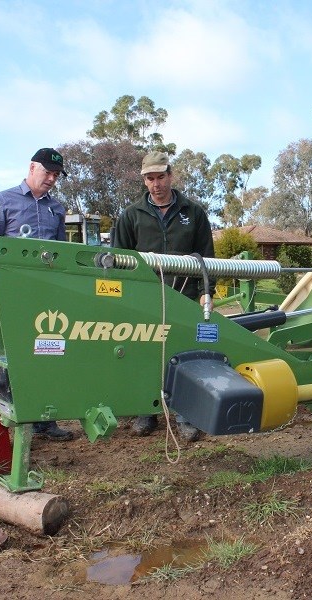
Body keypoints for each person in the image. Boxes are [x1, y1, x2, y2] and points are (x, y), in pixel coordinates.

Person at [114, 151, 215, 441]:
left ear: (170, 176)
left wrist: (206, 293)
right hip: (144, 299)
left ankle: (185, 414)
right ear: (144, 180)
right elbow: (120, 260)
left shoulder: (193, 213)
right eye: (150, 178)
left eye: (161, 177)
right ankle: (146, 411)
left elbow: (207, 257)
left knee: (185, 355)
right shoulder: (131, 215)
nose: (156, 184)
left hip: (184, 296)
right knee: (145, 352)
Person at [0, 147, 74, 442]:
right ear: (32, 167)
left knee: (50, 352)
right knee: (14, 356)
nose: (51, 179)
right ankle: (9, 418)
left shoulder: (56, 209)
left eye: (56, 175)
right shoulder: (3, 201)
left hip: (47, 298)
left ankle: (45, 420)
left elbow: (61, 255)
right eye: (47, 172)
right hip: (12, 295)